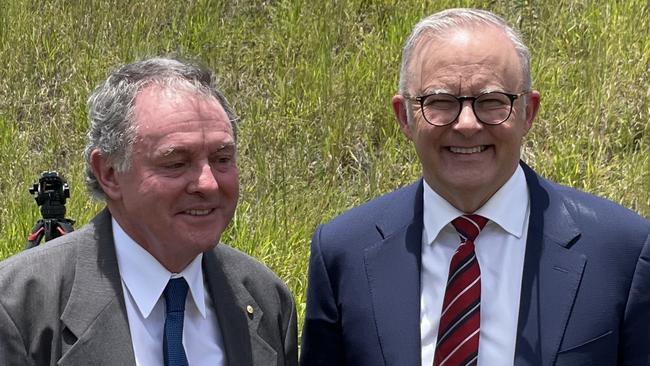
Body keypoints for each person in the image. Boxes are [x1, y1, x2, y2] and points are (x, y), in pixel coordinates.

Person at [300, 8, 650, 366]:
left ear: (528, 113)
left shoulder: (623, 252)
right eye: (439, 102)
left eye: (491, 102)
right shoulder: (343, 253)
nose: (467, 124)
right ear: (404, 116)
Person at [0, 57, 298, 366]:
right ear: (110, 173)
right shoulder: (17, 306)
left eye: (222, 159)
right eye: (176, 163)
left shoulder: (266, 298)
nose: (208, 184)